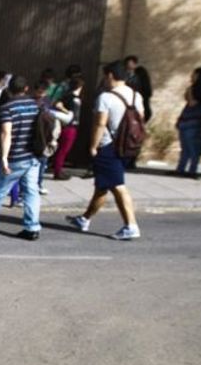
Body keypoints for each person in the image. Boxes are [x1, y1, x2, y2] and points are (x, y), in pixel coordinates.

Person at [66, 61, 142, 240]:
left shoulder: (105, 97)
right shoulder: (135, 95)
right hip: (127, 145)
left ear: (110, 75)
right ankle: (84, 219)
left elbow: (100, 124)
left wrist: (93, 146)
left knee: (118, 186)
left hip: (108, 146)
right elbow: (141, 118)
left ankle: (131, 226)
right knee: (102, 185)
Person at [0, 76, 42, 240]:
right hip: (32, 156)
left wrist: (4, 158)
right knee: (31, 192)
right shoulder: (34, 105)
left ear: (9, 89)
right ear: (26, 88)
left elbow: (6, 133)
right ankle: (32, 227)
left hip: (15, 157)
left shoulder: (7, 108)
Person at [175, 67, 201, 177]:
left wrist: (189, 91)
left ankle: (192, 170)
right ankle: (181, 169)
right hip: (187, 120)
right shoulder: (196, 88)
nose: (192, 76)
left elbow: (191, 103)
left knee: (192, 147)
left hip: (193, 121)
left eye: (194, 74)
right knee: (185, 147)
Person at [52, 75, 84, 180]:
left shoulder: (68, 96)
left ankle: (58, 168)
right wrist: (66, 111)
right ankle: (58, 171)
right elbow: (59, 106)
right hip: (70, 125)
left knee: (63, 149)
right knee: (64, 149)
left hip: (68, 125)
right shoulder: (72, 98)